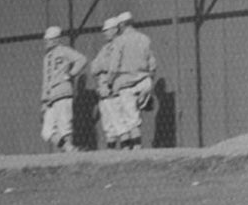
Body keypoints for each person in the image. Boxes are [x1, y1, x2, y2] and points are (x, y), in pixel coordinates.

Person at [89, 9, 160, 150]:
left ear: (121, 26)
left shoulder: (119, 41)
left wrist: (108, 83)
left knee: (131, 121)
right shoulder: (144, 38)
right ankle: (144, 100)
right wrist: (149, 83)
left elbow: (114, 67)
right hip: (145, 81)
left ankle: (136, 149)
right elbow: (153, 64)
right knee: (133, 113)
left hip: (126, 83)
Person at [38, 24, 86, 152]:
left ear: (56, 39)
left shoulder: (64, 50)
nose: (46, 42)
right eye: (46, 39)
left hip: (63, 91)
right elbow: (45, 80)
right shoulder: (47, 57)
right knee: (46, 132)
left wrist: (70, 74)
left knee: (65, 126)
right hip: (51, 97)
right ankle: (70, 149)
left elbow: (81, 59)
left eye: (48, 39)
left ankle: (69, 154)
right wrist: (44, 101)